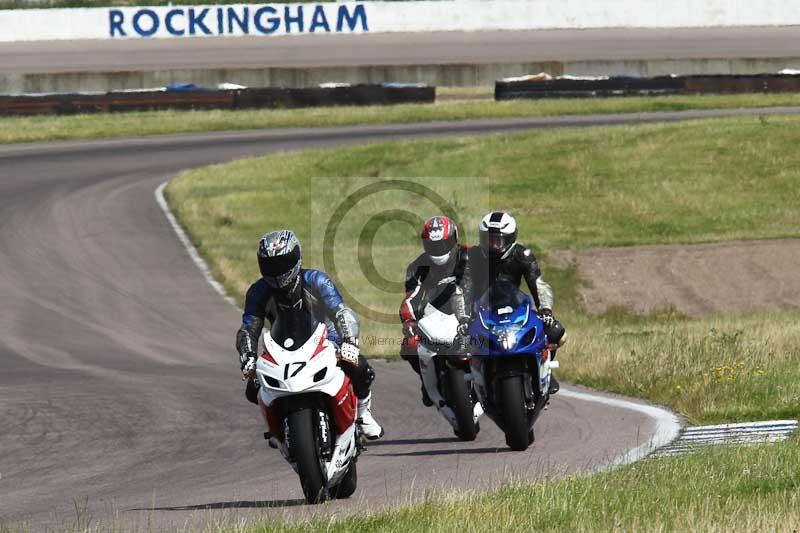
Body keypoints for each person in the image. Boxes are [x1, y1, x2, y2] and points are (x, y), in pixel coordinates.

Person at [236, 230, 384, 440]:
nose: (278, 271)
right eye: (271, 265)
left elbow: (341, 312)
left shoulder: (316, 280)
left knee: (359, 367)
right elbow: (249, 328)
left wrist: (349, 341)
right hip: (282, 348)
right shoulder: (258, 292)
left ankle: (362, 413)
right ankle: (279, 427)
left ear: (297, 257)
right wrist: (248, 357)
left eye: (283, 262)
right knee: (253, 389)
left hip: (326, 340)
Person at [470, 211, 565, 394]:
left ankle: (546, 369)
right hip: (482, 310)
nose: (493, 245)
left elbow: (538, 285)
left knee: (557, 332)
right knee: (461, 342)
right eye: (489, 239)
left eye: (498, 240)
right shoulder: (474, 256)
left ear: (510, 238)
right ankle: (472, 381)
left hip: (514, 306)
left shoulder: (523, 255)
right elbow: (463, 286)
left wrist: (545, 310)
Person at [399, 216, 472, 405]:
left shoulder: (471, 255)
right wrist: (409, 320)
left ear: (454, 240)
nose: (439, 250)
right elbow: (411, 298)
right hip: (436, 314)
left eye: (444, 244)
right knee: (409, 345)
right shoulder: (416, 267)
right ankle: (426, 379)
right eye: (433, 246)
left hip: (472, 309)